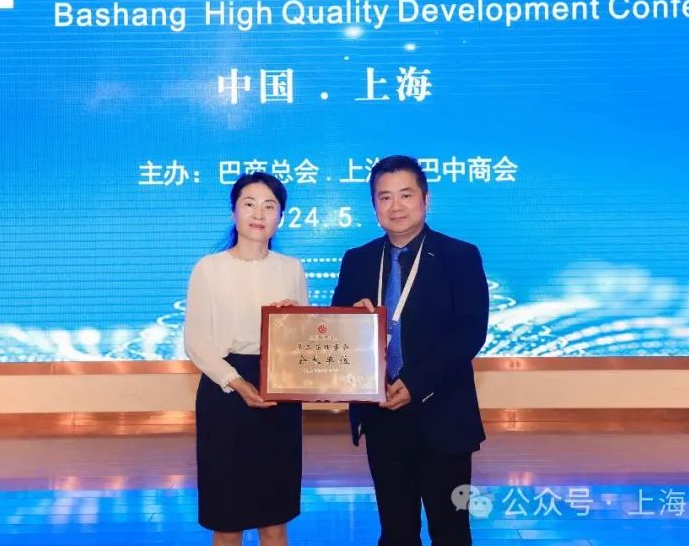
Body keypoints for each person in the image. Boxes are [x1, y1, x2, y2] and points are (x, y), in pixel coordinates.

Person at [331, 155, 489, 546]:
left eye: (405, 195)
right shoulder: (358, 260)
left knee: (451, 530)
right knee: (396, 531)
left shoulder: (460, 256)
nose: (395, 206)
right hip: (382, 416)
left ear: (425, 199)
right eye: (384, 197)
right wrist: (350, 320)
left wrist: (415, 383)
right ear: (374, 205)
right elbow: (335, 333)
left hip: (444, 415)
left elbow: (470, 333)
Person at [184, 172, 309, 546]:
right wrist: (236, 382)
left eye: (270, 206)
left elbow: (307, 342)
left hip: (279, 389)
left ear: (281, 216)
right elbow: (196, 342)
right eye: (249, 204)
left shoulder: (292, 268)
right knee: (227, 519)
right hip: (225, 390)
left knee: (275, 519)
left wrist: (294, 320)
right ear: (233, 211)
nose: (259, 213)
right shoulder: (209, 268)